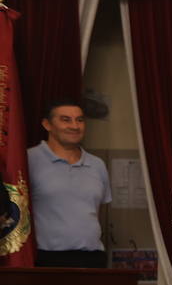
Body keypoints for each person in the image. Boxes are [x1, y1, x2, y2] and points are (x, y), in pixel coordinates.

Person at [27, 98, 110, 267]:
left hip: (93, 258)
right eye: (65, 120)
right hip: (46, 259)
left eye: (79, 120)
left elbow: (100, 211)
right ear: (47, 124)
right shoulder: (28, 159)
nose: (74, 126)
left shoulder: (97, 164)